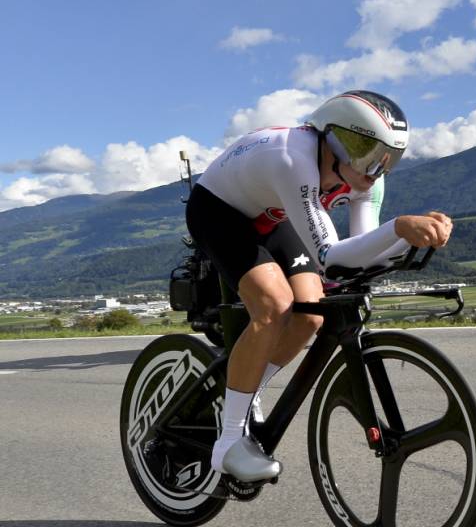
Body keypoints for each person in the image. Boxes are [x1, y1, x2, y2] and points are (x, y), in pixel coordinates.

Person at [186, 90, 453, 482]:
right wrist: (398, 228)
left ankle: (245, 387)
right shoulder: (294, 158)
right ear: (333, 139)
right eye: (366, 151)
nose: (375, 168)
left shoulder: (366, 181)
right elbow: (333, 255)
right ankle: (227, 444)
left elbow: (361, 257)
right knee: (274, 304)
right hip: (219, 211)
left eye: (388, 158)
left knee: (311, 314)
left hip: (273, 214)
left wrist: (413, 237)